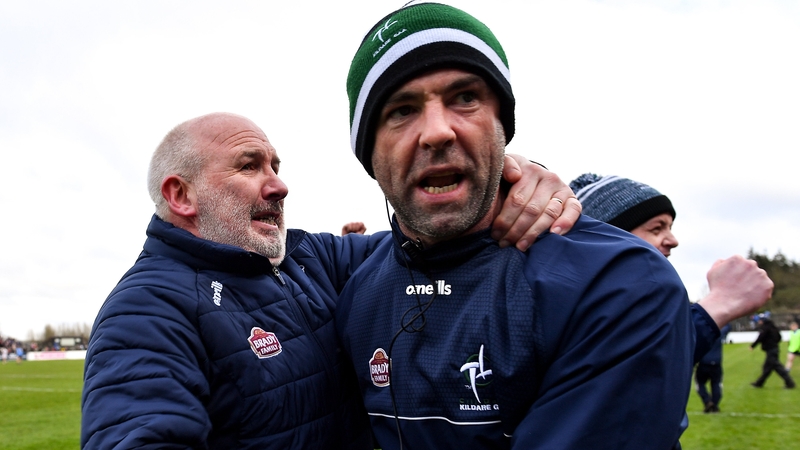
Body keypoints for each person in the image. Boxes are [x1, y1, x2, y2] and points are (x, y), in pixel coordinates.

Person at [80, 112, 579, 449]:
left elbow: (430, 236)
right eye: (249, 166)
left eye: (275, 166)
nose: (278, 185)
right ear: (180, 195)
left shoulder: (309, 258)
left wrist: (515, 179)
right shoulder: (146, 310)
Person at [336, 3, 693, 449]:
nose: (437, 132)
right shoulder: (355, 289)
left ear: (503, 126)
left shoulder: (620, 283)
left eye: (465, 97)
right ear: (369, 152)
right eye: (401, 110)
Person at [569, 173, 774, 363]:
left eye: (670, 227)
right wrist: (718, 305)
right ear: (610, 234)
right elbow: (635, 373)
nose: (673, 240)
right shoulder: (582, 304)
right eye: (656, 228)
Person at [750, 315, 795, 388]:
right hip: (774, 349)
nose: (759, 322)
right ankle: (759, 383)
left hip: (771, 350)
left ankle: (790, 383)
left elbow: (760, 337)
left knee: (778, 368)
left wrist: (753, 346)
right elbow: (779, 337)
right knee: (767, 368)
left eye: (760, 320)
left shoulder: (765, 328)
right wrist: (774, 343)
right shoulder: (773, 327)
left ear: (763, 321)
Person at [695, 323, 731, 413]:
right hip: (716, 363)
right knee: (716, 384)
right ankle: (714, 404)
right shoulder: (719, 333)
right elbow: (728, 326)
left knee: (700, 383)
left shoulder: (702, 334)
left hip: (703, 363)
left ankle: (707, 401)